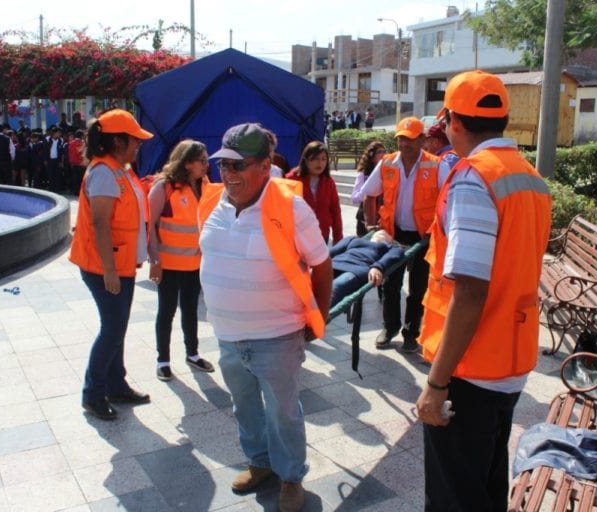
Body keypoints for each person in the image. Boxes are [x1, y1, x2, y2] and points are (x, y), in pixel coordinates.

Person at [414, 70, 552, 511]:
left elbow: (470, 290)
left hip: (471, 367)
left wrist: (437, 385)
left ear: (453, 121)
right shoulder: (530, 178)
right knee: (487, 483)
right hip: (511, 357)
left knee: (453, 495)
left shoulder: (475, 178)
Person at [198, 122, 332, 512]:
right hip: (227, 333)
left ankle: (291, 476)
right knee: (245, 406)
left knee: (283, 411)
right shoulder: (212, 201)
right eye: (224, 165)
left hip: (276, 335)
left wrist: (317, 318)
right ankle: (260, 462)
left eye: (239, 166)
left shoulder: (291, 208)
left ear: (264, 166)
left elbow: (322, 266)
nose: (228, 174)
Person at [68, 109, 154, 421]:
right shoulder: (104, 172)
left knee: (117, 328)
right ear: (118, 141)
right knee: (112, 329)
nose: (139, 145)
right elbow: (101, 224)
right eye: (135, 140)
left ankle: (116, 385)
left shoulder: (122, 170)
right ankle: (93, 394)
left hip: (120, 263)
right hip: (105, 266)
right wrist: (109, 271)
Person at [360, 117, 441, 353]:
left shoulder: (436, 166)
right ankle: (389, 328)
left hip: (423, 237)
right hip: (394, 235)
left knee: (417, 289)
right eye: (401, 139)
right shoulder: (387, 164)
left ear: (422, 140)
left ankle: (411, 333)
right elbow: (369, 194)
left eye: (410, 139)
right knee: (390, 285)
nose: (405, 144)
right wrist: (370, 223)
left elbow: (447, 202)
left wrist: (436, 232)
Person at [147, 140, 215, 382]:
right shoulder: (164, 187)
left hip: (195, 264)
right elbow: (150, 225)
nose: (207, 165)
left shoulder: (205, 185)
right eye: (202, 160)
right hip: (168, 264)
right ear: (187, 163)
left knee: (190, 310)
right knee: (166, 312)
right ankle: (163, 360)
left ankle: (192, 354)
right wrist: (154, 260)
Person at [329, 229, 405, 308]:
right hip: (336, 263)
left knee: (335, 287)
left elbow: (396, 253)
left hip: (357, 268)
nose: (383, 232)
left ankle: (318, 315)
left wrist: (378, 267)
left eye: (387, 234)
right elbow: (332, 252)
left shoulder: (391, 248)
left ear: (390, 241)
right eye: (379, 231)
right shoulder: (353, 239)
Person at [285, 141, 343, 243]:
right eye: (315, 159)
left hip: (322, 234)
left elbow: (335, 210)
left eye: (323, 159)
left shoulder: (329, 182)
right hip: (298, 237)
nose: (320, 163)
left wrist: (338, 237)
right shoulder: (291, 180)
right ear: (306, 160)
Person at [351, 141, 386, 236]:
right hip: (364, 219)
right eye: (379, 152)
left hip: (382, 219)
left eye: (384, 151)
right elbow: (355, 198)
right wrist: (370, 188)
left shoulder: (388, 172)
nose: (383, 154)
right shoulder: (363, 174)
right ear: (371, 155)